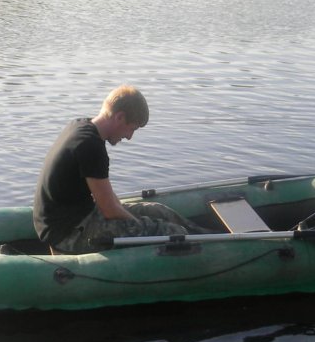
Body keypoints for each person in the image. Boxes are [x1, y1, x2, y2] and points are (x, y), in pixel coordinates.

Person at [33, 85, 204, 254]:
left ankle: (210, 236)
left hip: (77, 216)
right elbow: (109, 209)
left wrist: (140, 219)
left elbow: (107, 198)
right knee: (174, 233)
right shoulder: (90, 146)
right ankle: (206, 248)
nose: (129, 137)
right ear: (120, 117)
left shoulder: (81, 126)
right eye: (132, 128)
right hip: (67, 233)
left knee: (159, 211)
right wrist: (137, 225)